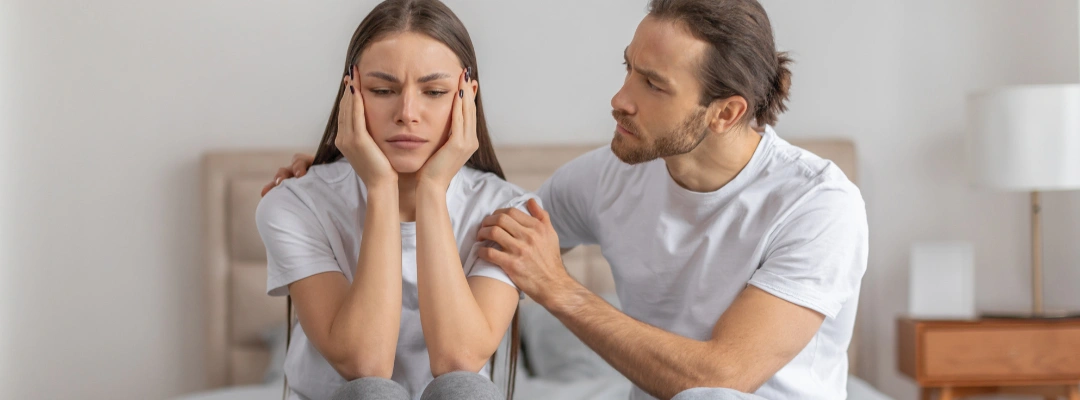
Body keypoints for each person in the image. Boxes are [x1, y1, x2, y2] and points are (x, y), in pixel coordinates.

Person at [266, 0, 868, 399]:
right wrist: (335, 180)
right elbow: (503, 223)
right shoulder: (606, 178)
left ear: (727, 111)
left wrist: (555, 286)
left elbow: (724, 378)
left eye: (652, 84)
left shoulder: (818, 206)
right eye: (628, 68)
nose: (618, 98)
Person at [255, 1, 530, 399]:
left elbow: (458, 361)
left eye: (434, 92)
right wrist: (381, 188)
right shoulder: (296, 205)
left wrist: (431, 189)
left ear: (466, 95)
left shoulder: (507, 212)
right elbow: (365, 366)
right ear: (351, 92)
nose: (407, 113)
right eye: (383, 90)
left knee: (466, 390)